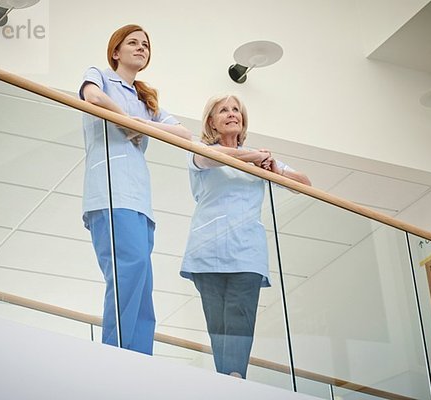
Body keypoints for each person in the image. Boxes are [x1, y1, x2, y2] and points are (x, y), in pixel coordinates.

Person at [79, 24, 191, 355]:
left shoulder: (146, 99)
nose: (141, 48)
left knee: (142, 279)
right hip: (110, 193)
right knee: (127, 272)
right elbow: (92, 97)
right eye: (133, 43)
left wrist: (140, 123)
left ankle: (141, 358)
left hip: (140, 200)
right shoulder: (99, 74)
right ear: (116, 51)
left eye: (145, 44)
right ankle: (116, 354)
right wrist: (127, 120)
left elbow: (184, 134)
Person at [180, 94, 311, 378]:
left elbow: (304, 185)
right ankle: (227, 379)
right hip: (207, 252)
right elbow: (213, 158)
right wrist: (254, 157)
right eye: (223, 110)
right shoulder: (199, 150)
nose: (231, 114)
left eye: (236, 110)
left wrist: (274, 167)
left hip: (246, 253)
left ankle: (235, 378)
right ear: (211, 122)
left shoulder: (263, 159)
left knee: (240, 317)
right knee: (218, 324)